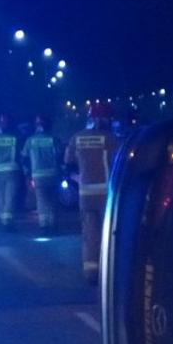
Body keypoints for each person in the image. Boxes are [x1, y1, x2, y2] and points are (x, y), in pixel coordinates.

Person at [65, 102, 116, 282]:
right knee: (108, 233)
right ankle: (108, 271)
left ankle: (91, 272)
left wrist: (79, 181)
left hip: (85, 195)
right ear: (101, 119)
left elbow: (69, 166)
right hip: (107, 195)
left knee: (89, 234)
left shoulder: (76, 138)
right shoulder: (111, 139)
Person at [22, 114, 61, 232]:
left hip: (38, 176)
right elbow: (60, 156)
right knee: (52, 200)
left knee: (41, 201)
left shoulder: (30, 140)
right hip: (53, 175)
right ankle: (53, 224)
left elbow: (24, 158)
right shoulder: (54, 139)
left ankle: (44, 225)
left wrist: (27, 174)